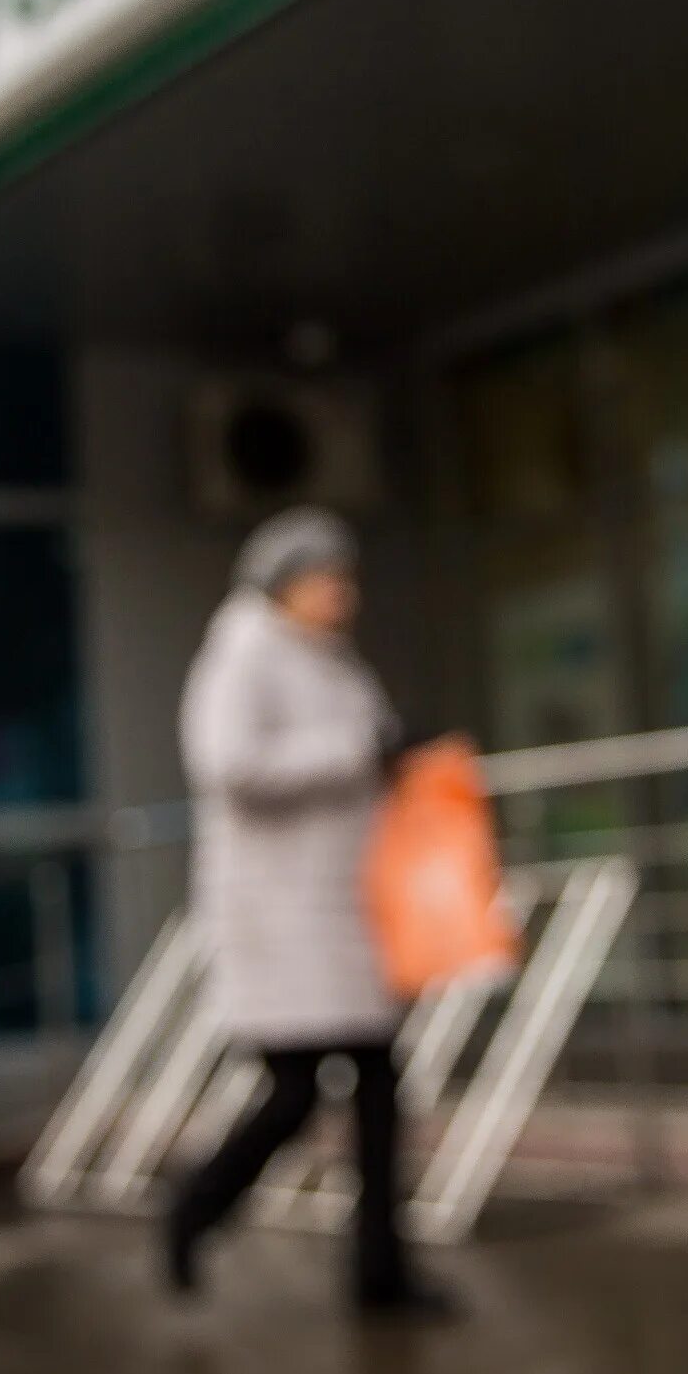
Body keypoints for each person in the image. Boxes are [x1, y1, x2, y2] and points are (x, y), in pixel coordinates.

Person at [164, 507, 449, 1318]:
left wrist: (397, 754)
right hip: (277, 917)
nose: (342, 593)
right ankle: (193, 1210)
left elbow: (360, 755)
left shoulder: (334, 663)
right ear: (284, 583)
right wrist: (361, 752)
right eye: (328, 578)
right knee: (293, 1095)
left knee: (379, 1088)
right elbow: (229, 765)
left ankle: (380, 1275)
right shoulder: (242, 655)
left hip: (346, 909)